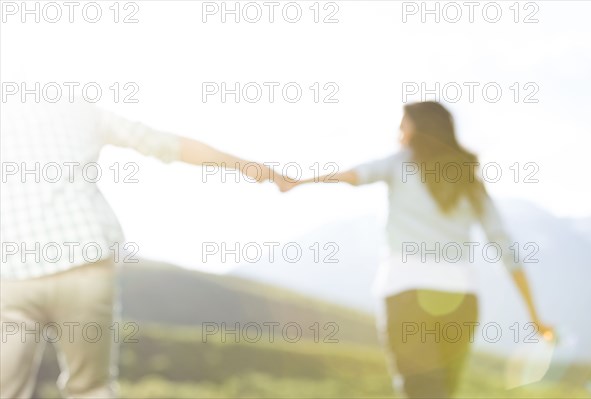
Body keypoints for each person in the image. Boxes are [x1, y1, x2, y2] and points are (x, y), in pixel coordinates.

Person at [0, 99, 282, 398]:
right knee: (91, 389)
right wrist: (248, 166)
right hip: (84, 260)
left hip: (13, 273)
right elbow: (166, 144)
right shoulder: (77, 109)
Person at [279, 101, 554, 398]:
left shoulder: (400, 163)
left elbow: (355, 175)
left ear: (419, 129)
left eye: (403, 124)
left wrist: (300, 181)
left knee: (421, 392)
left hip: (407, 293)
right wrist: (533, 315)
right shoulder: (468, 178)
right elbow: (503, 245)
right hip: (461, 301)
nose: (398, 132)